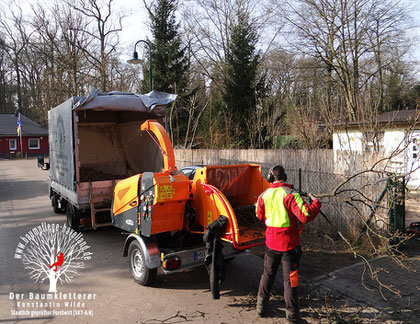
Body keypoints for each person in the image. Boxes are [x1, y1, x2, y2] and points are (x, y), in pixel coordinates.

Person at [256, 165, 321, 323]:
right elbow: (305, 215)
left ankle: (261, 307)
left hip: (271, 244)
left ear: (270, 178)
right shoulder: (291, 195)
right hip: (289, 246)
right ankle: (292, 314)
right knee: (290, 280)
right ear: (284, 177)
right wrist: (316, 203)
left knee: (268, 274)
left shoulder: (263, 195)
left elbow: (259, 214)